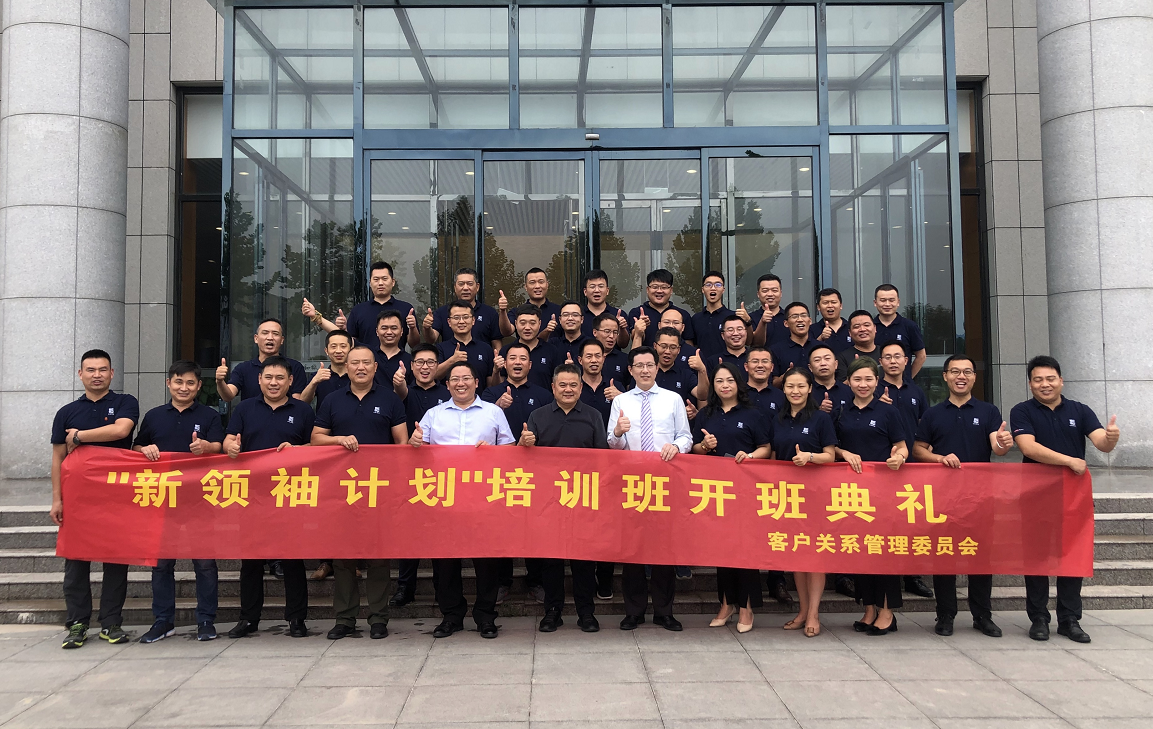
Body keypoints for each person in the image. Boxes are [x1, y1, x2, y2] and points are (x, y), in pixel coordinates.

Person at [1011, 355, 1120, 644]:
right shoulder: (1022, 411)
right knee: (1036, 559)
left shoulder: (1079, 410)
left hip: (1073, 497)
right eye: (1038, 380)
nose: (1044, 384)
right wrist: (1069, 461)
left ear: (1061, 380)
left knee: (1071, 557)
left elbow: (1101, 443)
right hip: (1034, 496)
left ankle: (1069, 619)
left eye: (1050, 378)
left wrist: (1111, 438)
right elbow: (1029, 447)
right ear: (1030, 384)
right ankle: (1039, 618)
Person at [410, 361, 515, 639]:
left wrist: (493, 452)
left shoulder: (493, 412)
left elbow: (510, 450)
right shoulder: (434, 414)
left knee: (486, 562)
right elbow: (418, 451)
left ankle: (485, 616)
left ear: (476, 382)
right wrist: (415, 443)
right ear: (447, 385)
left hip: (484, 499)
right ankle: (451, 616)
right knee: (445, 562)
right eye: (455, 379)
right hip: (444, 499)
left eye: (466, 378)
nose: (460, 383)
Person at [913, 354, 1013, 638]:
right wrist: (940, 458)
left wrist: (1004, 444)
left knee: (980, 556)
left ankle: (982, 615)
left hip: (979, 496)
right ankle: (945, 614)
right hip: (943, 497)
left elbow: (997, 446)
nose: (961, 377)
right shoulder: (933, 414)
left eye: (967, 372)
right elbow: (918, 449)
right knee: (944, 556)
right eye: (955, 371)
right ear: (945, 376)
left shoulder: (988, 411)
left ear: (974, 377)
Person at [312, 345, 408, 640]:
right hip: (341, 490)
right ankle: (345, 618)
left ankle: (378, 618)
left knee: (379, 556)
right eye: (355, 363)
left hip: (379, 489)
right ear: (347, 366)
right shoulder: (332, 399)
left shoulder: (390, 399)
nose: (361, 367)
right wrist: (339, 440)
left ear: (375, 367)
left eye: (367, 362)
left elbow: (402, 444)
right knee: (343, 557)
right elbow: (316, 438)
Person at [51, 349, 139, 649]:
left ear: (112, 373)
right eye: (90, 370)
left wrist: (79, 436)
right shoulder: (66, 412)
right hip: (78, 497)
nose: (97, 375)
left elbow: (120, 430)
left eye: (103, 369)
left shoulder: (125, 402)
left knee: (116, 560)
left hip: (117, 495)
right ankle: (77, 623)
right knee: (76, 561)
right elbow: (57, 458)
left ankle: (111, 623)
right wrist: (57, 499)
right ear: (81, 374)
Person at [223, 357, 316, 639]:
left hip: (290, 493)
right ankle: (249, 618)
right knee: (251, 560)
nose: (274, 383)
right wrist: (231, 448)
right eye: (268, 378)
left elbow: (316, 445)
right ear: (259, 380)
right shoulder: (244, 408)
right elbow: (229, 439)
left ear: (290, 381)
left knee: (292, 559)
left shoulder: (303, 410)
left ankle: (297, 618)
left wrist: (299, 450)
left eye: (280, 378)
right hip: (253, 495)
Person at [133, 360, 224, 643]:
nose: (184, 388)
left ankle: (206, 620)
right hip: (163, 499)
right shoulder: (154, 416)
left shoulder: (210, 416)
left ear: (199, 386)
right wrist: (144, 448)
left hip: (200, 500)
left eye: (190, 383)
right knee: (161, 564)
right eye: (178, 382)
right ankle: (163, 621)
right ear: (168, 383)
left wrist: (207, 447)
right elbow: (137, 446)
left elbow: (221, 448)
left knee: (205, 564)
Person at [608, 347, 692, 631]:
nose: (645, 370)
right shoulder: (620, 401)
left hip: (664, 483)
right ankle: (634, 611)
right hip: (631, 483)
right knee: (632, 549)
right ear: (630, 370)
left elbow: (686, 436)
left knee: (664, 549)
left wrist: (676, 446)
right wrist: (618, 432)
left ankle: (664, 611)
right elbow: (612, 445)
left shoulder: (673, 399)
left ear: (657, 368)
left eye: (649, 365)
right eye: (639, 366)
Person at [520, 363, 609, 632]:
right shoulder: (537, 416)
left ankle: (586, 613)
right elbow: (524, 461)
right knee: (551, 561)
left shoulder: (593, 416)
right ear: (553, 387)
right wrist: (523, 444)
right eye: (563, 385)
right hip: (548, 500)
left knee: (584, 560)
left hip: (583, 498)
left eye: (573, 385)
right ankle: (552, 611)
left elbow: (602, 457)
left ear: (581, 387)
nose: (568, 389)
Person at [691, 362, 772, 633]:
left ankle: (747, 606)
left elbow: (765, 448)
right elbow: (694, 448)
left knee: (745, 549)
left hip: (746, 491)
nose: (724, 385)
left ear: (738, 383)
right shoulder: (706, 414)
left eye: (729, 380)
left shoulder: (753, 413)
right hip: (715, 491)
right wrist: (704, 446)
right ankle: (726, 603)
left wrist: (750, 456)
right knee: (721, 548)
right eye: (719, 381)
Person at [834, 357, 909, 637]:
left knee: (883, 550)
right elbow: (831, 446)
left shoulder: (888, 412)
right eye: (857, 379)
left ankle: (887, 611)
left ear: (877, 381)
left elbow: (902, 446)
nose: (863, 384)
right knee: (860, 551)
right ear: (848, 382)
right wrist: (844, 453)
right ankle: (868, 608)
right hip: (852, 494)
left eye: (868, 379)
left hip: (883, 491)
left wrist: (899, 458)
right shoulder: (841, 412)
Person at [483, 341, 554, 604]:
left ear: (530, 364)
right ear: (505, 363)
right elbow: (481, 427)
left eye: (523, 358)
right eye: (512, 357)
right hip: (499, 472)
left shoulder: (543, 394)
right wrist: (497, 407)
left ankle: (535, 581)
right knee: (502, 528)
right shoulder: (490, 394)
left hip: (535, 472)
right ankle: (503, 582)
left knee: (535, 527)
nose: (517, 362)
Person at [773, 366, 837, 637]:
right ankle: (802, 611)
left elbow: (830, 456)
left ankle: (814, 613)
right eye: (790, 386)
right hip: (787, 496)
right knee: (796, 555)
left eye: (801, 386)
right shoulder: (777, 419)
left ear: (810, 388)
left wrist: (809, 457)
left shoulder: (821, 418)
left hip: (815, 494)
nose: (795, 391)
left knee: (815, 556)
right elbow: (773, 456)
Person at [874, 340, 934, 599]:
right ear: (880, 362)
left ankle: (912, 576)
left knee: (910, 524)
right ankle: (881, 574)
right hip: (880, 467)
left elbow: (925, 424)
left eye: (897, 356)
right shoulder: (873, 389)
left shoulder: (916, 391)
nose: (893, 361)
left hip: (911, 467)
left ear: (906, 361)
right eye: (887, 357)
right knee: (881, 523)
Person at [391, 344, 450, 608]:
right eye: (420, 362)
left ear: (438, 366)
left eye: (431, 362)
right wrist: (399, 385)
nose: (425, 367)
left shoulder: (448, 394)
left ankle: (442, 587)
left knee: (440, 531)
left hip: (443, 473)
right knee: (409, 530)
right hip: (408, 471)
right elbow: (400, 391)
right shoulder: (400, 393)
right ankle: (406, 586)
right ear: (412, 366)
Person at [574, 338, 621, 599]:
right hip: (577, 471)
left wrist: (621, 397)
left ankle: (605, 578)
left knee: (606, 527)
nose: (594, 360)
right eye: (588, 356)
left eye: (598, 356)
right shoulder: (573, 387)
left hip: (610, 467)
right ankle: (584, 578)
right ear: (580, 360)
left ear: (604, 358)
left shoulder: (617, 388)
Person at [303, 261, 421, 352]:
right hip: (365, 365)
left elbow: (414, 344)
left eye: (384, 279)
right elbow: (349, 341)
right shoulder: (359, 310)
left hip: (398, 364)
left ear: (393, 282)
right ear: (370, 283)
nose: (380, 283)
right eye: (376, 279)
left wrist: (412, 327)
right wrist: (317, 317)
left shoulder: (406, 309)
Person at [216, 318, 308, 402]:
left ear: (282, 340)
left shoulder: (294, 367)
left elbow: (298, 402)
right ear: (256, 338)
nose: (270, 338)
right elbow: (228, 396)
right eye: (265, 333)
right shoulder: (243, 368)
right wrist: (220, 381)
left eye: (275, 334)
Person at [424, 267, 506, 351]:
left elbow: (497, 345)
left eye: (470, 284)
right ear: (455, 287)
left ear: (477, 287)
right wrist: (427, 328)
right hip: (451, 358)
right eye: (461, 284)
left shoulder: (489, 313)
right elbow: (431, 339)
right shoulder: (442, 312)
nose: (465, 288)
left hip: (481, 358)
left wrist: (497, 358)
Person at [435, 300, 498, 387]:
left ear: (473, 320)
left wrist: (496, 371)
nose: (461, 321)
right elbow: (433, 376)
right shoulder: (440, 348)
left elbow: (492, 386)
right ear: (449, 322)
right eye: (456, 318)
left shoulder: (486, 348)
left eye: (465, 317)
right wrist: (452, 361)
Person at [628, 269, 696, 347]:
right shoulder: (636, 312)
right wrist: (639, 329)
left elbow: (688, 344)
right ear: (648, 289)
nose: (659, 291)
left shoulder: (682, 314)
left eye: (664, 287)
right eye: (655, 287)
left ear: (671, 290)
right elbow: (634, 339)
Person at [499, 304, 558, 390]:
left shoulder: (551, 351)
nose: (527, 328)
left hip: (544, 398)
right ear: (516, 323)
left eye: (532, 323)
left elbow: (557, 382)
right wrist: (496, 370)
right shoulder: (506, 351)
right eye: (522, 323)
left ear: (539, 324)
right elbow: (498, 384)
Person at [873, 284, 926, 378]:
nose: (887, 304)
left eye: (891, 300)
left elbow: (921, 356)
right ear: (875, 303)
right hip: (875, 383)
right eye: (883, 300)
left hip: (902, 384)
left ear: (898, 302)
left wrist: (908, 378)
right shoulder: (870, 327)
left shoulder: (909, 326)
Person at [654, 327, 705, 416]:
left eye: (673, 347)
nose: (667, 351)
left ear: (679, 350)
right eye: (663, 346)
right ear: (655, 346)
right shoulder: (645, 373)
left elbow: (702, 395)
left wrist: (702, 370)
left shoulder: (686, 375)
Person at [298, 329, 351, 412]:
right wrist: (314, 382)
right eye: (333, 346)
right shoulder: (319, 376)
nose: (338, 351)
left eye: (343, 346)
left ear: (351, 349)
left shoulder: (357, 375)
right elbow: (302, 403)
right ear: (326, 351)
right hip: (324, 420)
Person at [690, 271, 735, 359]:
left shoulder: (732, 317)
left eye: (718, 285)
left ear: (723, 290)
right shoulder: (696, 319)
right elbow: (692, 345)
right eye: (708, 285)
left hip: (727, 365)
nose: (713, 288)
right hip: (702, 365)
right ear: (703, 289)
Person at [507, 268, 562, 340]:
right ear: (526, 287)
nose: (537, 286)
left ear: (547, 285)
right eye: (532, 282)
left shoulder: (560, 311)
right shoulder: (516, 312)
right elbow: (507, 331)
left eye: (541, 282)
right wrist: (502, 310)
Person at [581, 269, 630, 346]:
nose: (597, 290)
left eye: (601, 286)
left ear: (607, 291)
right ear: (585, 291)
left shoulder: (618, 314)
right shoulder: (579, 315)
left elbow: (623, 344)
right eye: (592, 287)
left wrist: (621, 328)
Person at [771, 302, 815, 386]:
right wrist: (785, 377)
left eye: (803, 315)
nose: (800, 319)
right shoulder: (776, 350)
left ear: (810, 321)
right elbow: (772, 384)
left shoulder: (820, 348)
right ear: (786, 323)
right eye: (794, 316)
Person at [372, 310, 413, 395]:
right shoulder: (368, 356)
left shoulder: (410, 360)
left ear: (401, 331)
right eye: (384, 328)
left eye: (394, 328)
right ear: (377, 331)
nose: (389, 332)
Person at [835, 310, 883, 381]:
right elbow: (842, 386)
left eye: (866, 325)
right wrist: (856, 372)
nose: (862, 329)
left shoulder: (885, 353)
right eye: (856, 327)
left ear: (875, 328)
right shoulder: (842, 358)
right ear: (850, 333)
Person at [808, 344, 851, 420]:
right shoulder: (806, 392)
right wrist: (819, 412)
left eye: (827, 359)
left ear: (836, 364)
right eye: (817, 360)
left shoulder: (849, 391)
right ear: (810, 367)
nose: (823, 364)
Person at [592, 312, 631, 386]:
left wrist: (620, 392)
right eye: (607, 331)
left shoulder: (625, 359)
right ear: (595, 332)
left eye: (615, 332)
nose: (611, 336)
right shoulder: (585, 358)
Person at [750, 273, 788, 347]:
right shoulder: (751, 318)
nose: (770, 294)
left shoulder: (789, 317)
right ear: (758, 294)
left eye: (774, 290)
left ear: (781, 293)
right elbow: (755, 344)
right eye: (765, 291)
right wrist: (762, 322)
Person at [812, 288, 854, 355]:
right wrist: (821, 338)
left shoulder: (852, 327)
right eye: (825, 303)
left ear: (840, 305)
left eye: (833, 302)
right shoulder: (812, 329)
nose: (830, 306)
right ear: (818, 307)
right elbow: (807, 353)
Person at [552, 301, 587, 365]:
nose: (570, 318)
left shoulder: (590, 344)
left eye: (575, 315)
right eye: (565, 315)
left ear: (582, 319)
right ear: (560, 320)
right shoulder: (552, 344)